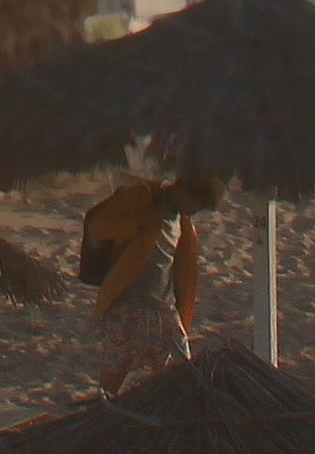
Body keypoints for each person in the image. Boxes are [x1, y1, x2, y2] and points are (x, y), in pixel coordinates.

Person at [81, 163, 217, 387]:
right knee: (113, 380)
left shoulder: (183, 222)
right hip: (126, 307)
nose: (196, 211)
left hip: (163, 310)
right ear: (184, 189)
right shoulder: (143, 196)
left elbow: (183, 273)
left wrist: (183, 312)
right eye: (198, 203)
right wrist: (139, 222)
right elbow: (97, 225)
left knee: (182, 376)